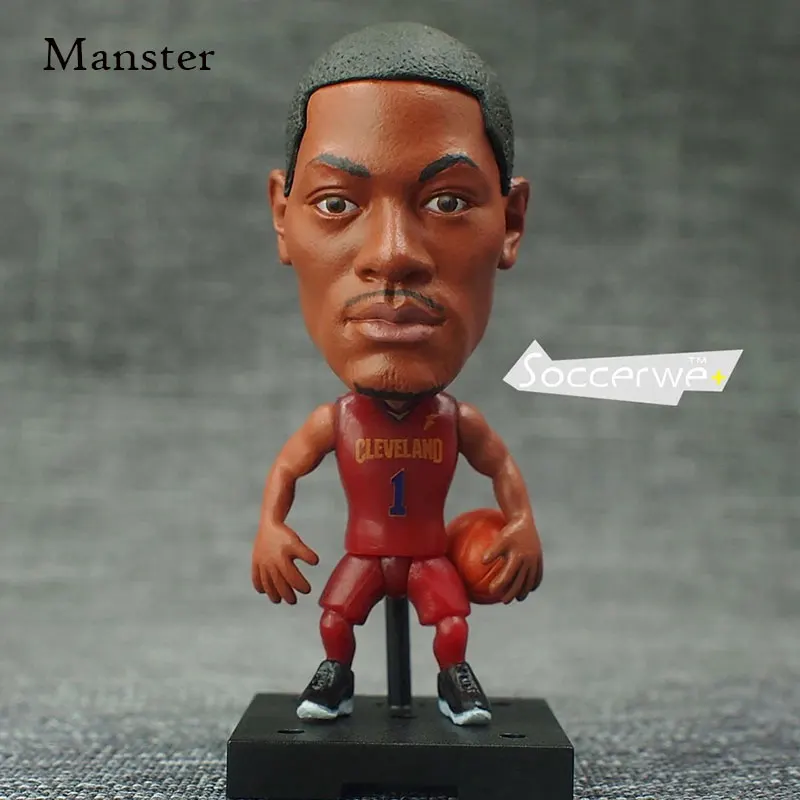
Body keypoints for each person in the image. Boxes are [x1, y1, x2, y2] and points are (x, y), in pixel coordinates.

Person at [251, 21, 543, 727]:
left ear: (510, 221)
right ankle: (335, 679)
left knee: (450, 623)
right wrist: (269, 528)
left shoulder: (454, 422)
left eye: (448, 202)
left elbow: (500, 467)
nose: (391, 255)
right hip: (368, 553)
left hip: (426, 555)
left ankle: (454, 683)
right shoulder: (339, 421)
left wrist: (522, 525)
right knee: (336, 617)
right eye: (335, 203)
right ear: (282, 217)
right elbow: (289, 468)